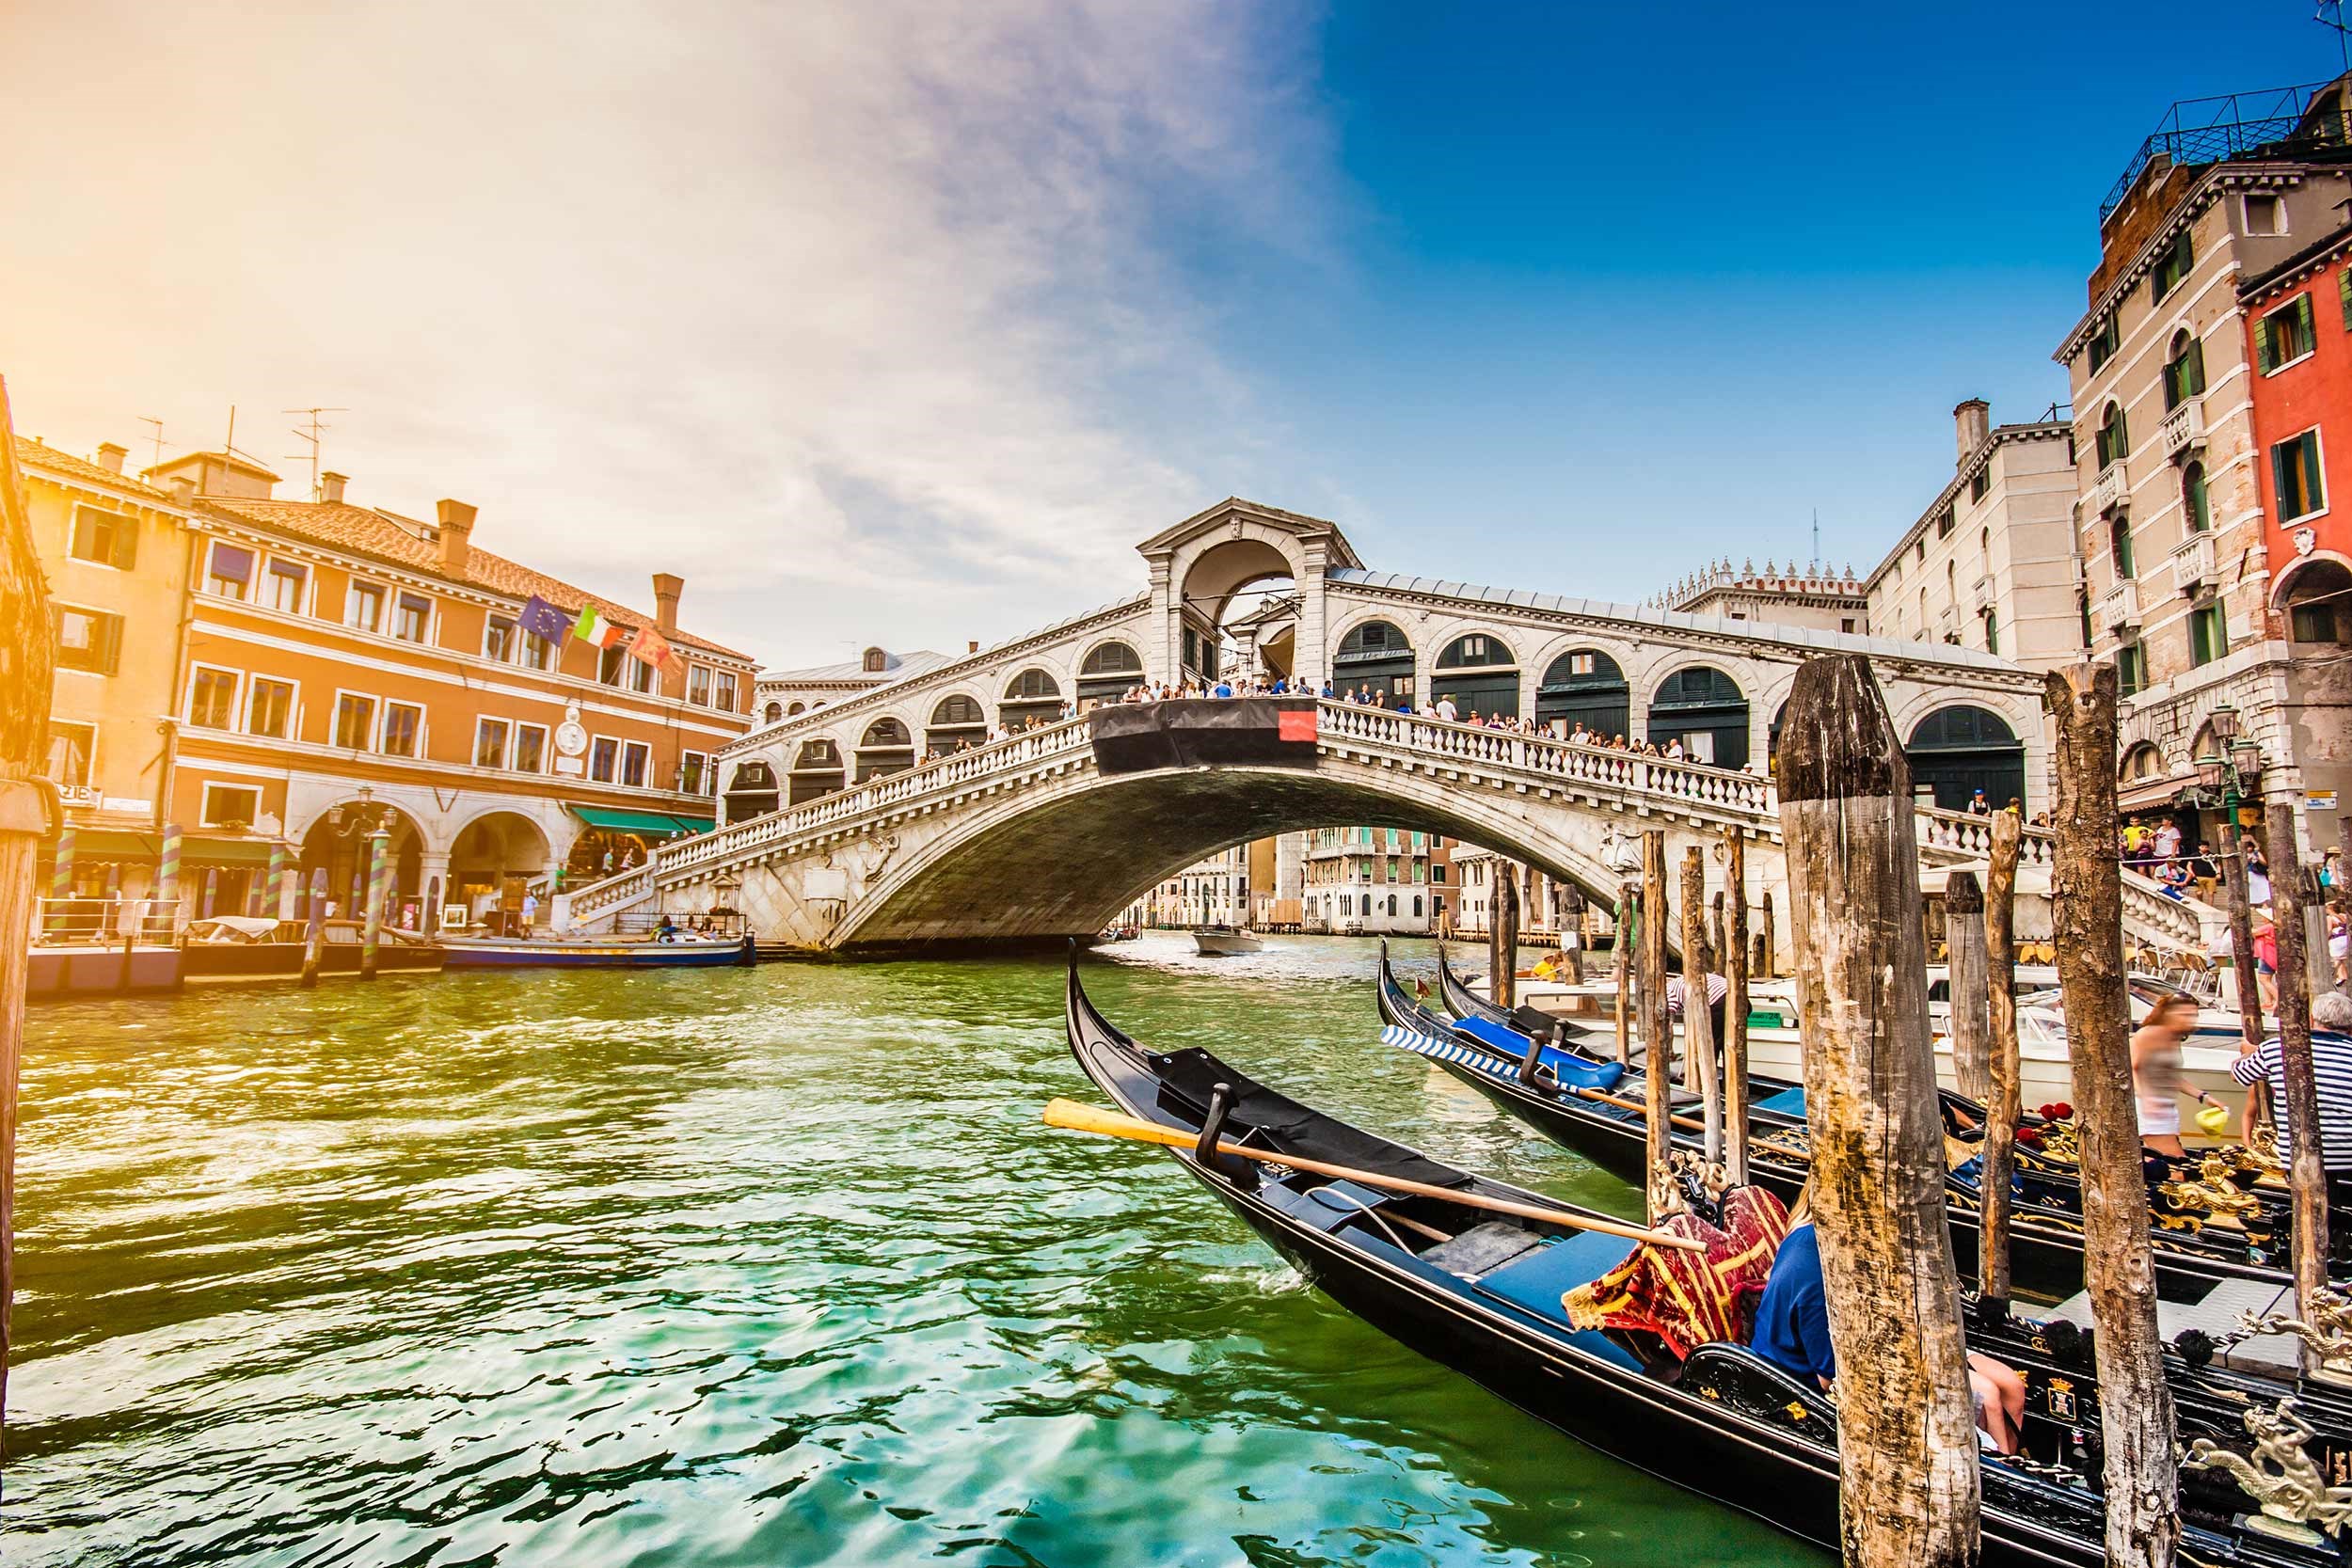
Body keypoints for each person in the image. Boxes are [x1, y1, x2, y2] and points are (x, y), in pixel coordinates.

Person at [1753, 1209, 2026, 1452]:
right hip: (1814, 1381)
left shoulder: (1858, 1246)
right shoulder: (1814, 1267)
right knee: (1989, 1394)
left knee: (2011, 1385)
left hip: (1898, 1341)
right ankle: (2000, 1473)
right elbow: (1829, 1377)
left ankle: (2007, 1462)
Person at [2231, 990, 2352, 1205]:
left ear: (2312, 1020)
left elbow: (2238, 1074)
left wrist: (2249, 1052)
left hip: (2299, 1157)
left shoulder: (2278, 1048)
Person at [2133, 992, 2216, 1157]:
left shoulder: (2173, 1038)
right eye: (2184, 1015)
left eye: (2193, 1015)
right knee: (2177, 1163)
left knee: (2158, 1161)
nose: (2189, 1020)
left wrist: (2204, 1096)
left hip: (2166, 1105)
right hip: (2150, 1107)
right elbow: (2134, 1069)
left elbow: (2171, 1077)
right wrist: (2147, 1099)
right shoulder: (2148, 1034)